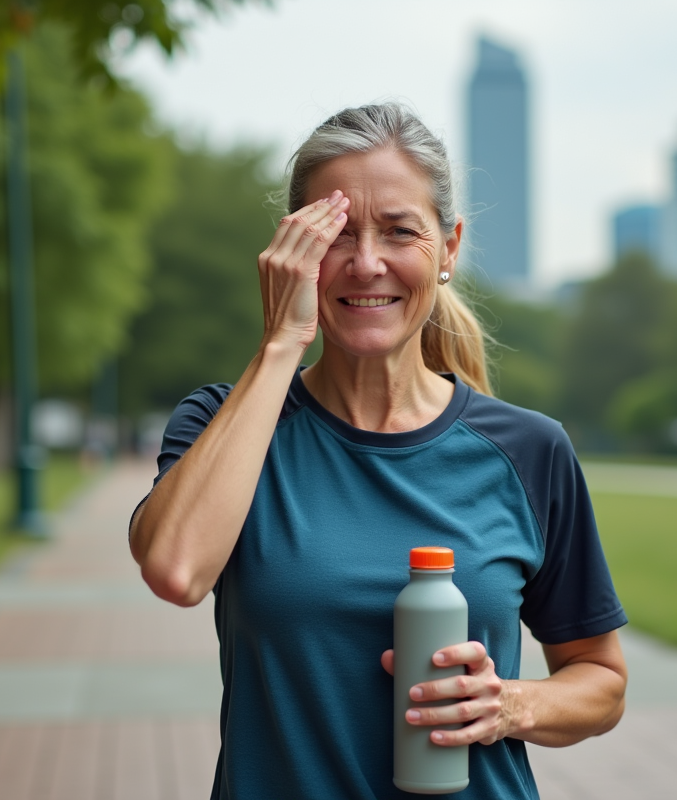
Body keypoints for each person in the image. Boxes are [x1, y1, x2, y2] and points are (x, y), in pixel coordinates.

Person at [129, 103, 628, 799]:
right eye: (336, 235)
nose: (366, 264)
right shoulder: (223, 424)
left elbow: (600, 680)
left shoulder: (529, 449)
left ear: (449, 248)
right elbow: (176, 571)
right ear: (291, 253)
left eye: (399, 231)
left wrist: (511, 704)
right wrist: (281, 346)